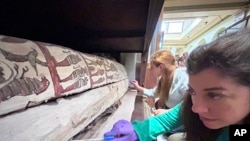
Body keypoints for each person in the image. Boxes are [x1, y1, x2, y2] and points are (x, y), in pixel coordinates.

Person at [104, 29, 250, 141]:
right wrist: (138, 131)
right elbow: (169, 119)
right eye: (192, 92)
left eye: (214, 95)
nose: (196, 108)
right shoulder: (189, 102)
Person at [131, 50, 189, 115]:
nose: (150, 70)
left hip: (181, 116)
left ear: (161, 67)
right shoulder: (163, 79)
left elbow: (189, 102)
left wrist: (168, 111)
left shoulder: (182, 75)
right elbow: (153, 93)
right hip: (171, 112)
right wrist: (138, 87)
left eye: (152, 67)